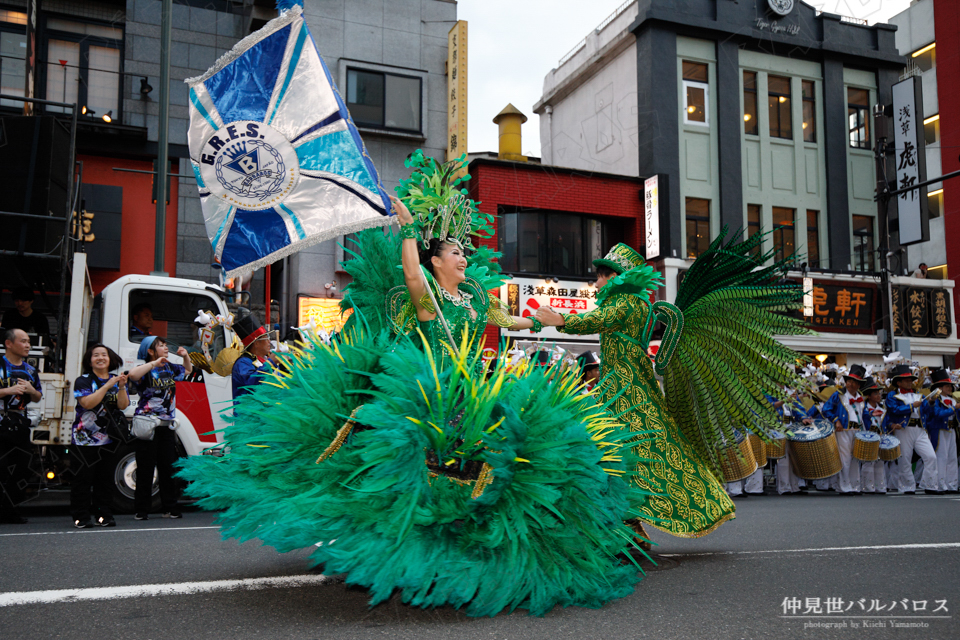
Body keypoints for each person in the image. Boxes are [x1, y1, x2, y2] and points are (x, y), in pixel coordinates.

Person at [536, 243, 736, 537]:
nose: (598, 282)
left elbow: (595, 320)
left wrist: (561, 319)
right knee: (632, 453)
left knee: (625, 453)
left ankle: (635, 524)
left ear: (619, 277)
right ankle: (630, 526)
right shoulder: (636, 303)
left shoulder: (626, 303)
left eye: (603, 275)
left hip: (625, 392)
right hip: (628, 387)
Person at [127, 335, 192, 519]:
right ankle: (141, 509)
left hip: (166, 425)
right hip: (147, 425)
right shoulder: (146, 369)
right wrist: (154, 363)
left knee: (167, 467)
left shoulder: (170, 368)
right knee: (145, 468)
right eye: (161, 345)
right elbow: (132, 375)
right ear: (150, 351)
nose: (165, 348)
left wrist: (185, 355)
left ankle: (170, 507)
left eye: (165, 345)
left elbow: (188, 370)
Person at [70, 344, 128, 528]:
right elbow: (87, 403)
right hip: (84, 439)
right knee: (83, 480)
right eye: (96, 355)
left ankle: (104, 515)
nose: (100, 358)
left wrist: (120, 387)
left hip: (109, 438)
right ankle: (81, 517)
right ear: (89, 360)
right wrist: (107, 386)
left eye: (104, 355)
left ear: (110, 359)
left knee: (105, 480)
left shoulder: (115, 379)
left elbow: (123, 406)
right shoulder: (83, 380)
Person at [0, 328, 42, 524]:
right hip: (1, 421)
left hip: (19, 423)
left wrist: (32, 390)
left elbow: (37, 396)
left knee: (22, 468)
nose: (27, 345)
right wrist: (9, 390)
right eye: (23, 341)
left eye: (28, 342)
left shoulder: (31, 369)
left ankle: (10, 510)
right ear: (9, 343)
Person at [885, 364, 938, 494]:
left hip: (920, 429)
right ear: (899, 382)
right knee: (905, 459)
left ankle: (930, 485)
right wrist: (911, 406)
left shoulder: (917, 394)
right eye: (907, 380)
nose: (910, 382)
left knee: (931, 456)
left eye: (910, 380)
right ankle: (907, 486)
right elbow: (894, 410)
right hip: (904, 428)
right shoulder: (892, 395)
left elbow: (926, 410)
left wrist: (931, 402)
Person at [821, 364, 866, 494]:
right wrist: (836, 420)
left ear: (858, 384)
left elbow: (864, 414)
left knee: (855, 459)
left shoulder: (860, 397)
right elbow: (826, 409)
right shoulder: (838, 395)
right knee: (844, 458)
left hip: (857, 431)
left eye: (854, 382)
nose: (851, 384)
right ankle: (844, 486)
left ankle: (855, 486)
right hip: (844, 430)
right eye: (849, 381)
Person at [922, 369, 958, 494]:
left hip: (951, 429)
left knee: (952, 458)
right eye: (947, 386)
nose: (950, 388)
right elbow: (937, 414)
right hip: (939, 430)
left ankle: (952, 484)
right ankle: (939, 484)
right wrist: (954, 409)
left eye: (950, 386)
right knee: (941, 457)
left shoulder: (953, 399)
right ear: (940, 387)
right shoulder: (935, 399)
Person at [231, 311, 277, 398]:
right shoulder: (243, 363)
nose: (269, 342)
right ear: (256, 343)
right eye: (266, 338)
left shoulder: (265, 360)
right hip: (248, 411)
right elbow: (251, 382)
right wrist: (271, 363)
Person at [859, 377, 888, 494]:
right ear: (869, 396)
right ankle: (867, 486)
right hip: (868, 436)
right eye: (875, 393)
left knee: (880, 461)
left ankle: (880, 486)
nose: (878, 395)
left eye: (879, 393)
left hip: (880, 436)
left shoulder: (883, 409)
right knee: (869, 462)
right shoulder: (863, 409)